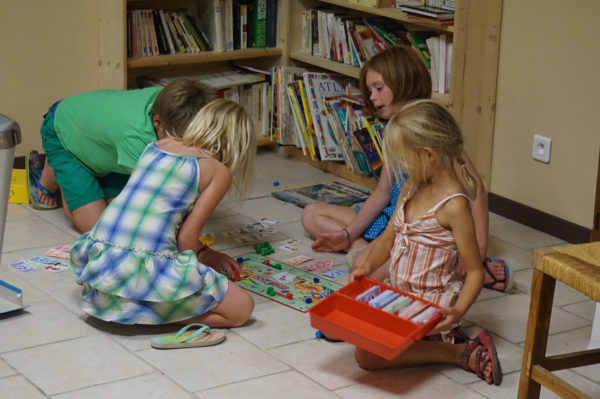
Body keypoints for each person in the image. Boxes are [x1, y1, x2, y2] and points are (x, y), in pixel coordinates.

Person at [301, 45, 509, 291]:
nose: (373, 97)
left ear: (404, 82)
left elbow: (476, 190)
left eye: (379, 88)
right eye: (370, 91)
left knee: (364, 269)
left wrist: (480, 248)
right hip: (393, 219)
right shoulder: (392, 128)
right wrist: (347, 234)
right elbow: (382, 192)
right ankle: (368, 247)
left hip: (423, 229)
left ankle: (466, 269)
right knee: (311, 214)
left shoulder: (429, 127)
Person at [350, 100, 502, 385]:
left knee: (365, 356)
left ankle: (455, 352)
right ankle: (444, 347)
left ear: (429, 155)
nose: (402, 168)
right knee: (342, 328)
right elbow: (387, 239)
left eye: (405, 159)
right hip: (402, 299)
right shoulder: (410, 187)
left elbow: (474, 271)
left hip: (431, 309)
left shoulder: (454, 206)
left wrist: (457, 311)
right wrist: (367, 266)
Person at [70, 99, 256, 327]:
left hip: (102, 264)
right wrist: (197, 269)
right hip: (140, 267)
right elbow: (186, 239)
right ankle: (151, 315)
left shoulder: (157, 145)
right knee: (241, 310)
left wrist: (205, 253)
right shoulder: (218, 171)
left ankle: (131, 305)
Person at [32, 78, 212, 234]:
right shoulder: (135, 135)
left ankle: (71, 167)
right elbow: (146, 200)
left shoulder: (174, 104)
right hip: (63, 128)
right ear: (157, 122)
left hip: (103, 142)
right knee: (99, 229)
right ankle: (57, 165)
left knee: (119, 214)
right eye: (179, 142)